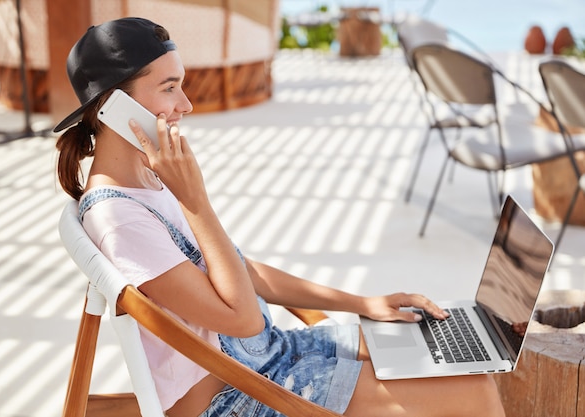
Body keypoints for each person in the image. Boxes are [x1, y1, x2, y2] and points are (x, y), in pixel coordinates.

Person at [55, 17, 505, 417]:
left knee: (454, 357)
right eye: (169, 88)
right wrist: (196, 201)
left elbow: (238, 271)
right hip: (239, 396)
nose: (186, 105)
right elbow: (243, 320)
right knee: (474, 391)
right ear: (113, 105)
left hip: (271, 360)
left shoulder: (149, 182)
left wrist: (362, 304)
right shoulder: (120, 218)